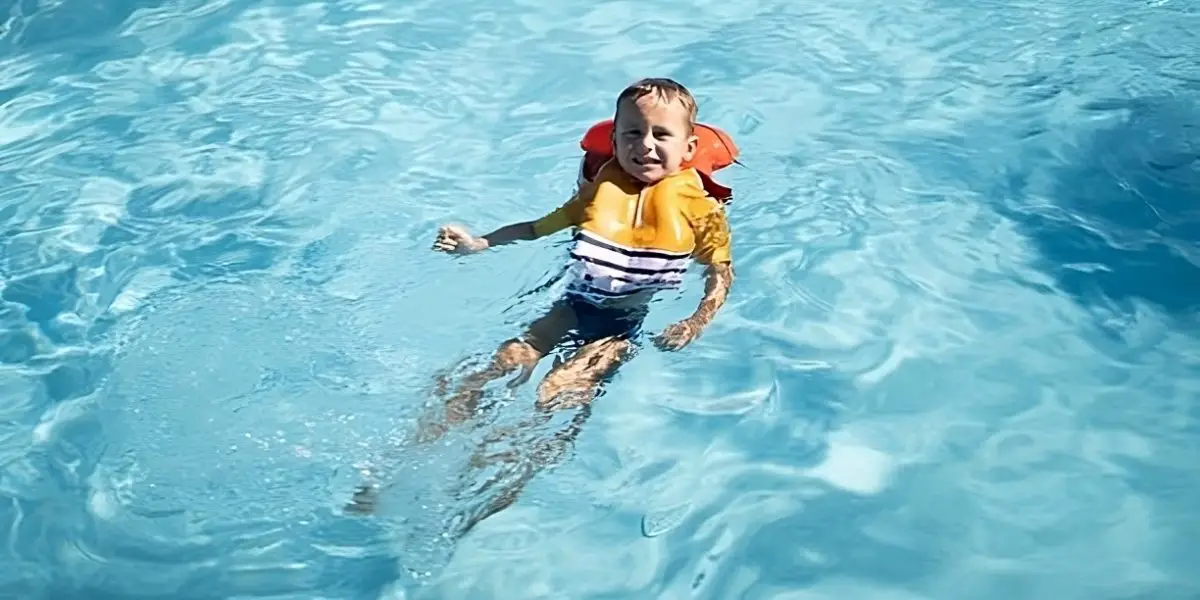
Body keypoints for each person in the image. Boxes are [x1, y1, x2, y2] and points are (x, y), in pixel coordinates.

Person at [347, 78, 740, 529]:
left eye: (660, 135)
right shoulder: (599, 193)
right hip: (568, 306)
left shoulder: (699, 210)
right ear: (613, 140)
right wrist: (478, 243)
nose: (645, 145)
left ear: (689, 147)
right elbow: (535, 228)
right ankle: (396, 471)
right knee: (494, 366)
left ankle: (473, 503)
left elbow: (720, 274)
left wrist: (695, 321)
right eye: (632, 133)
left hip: (616, 329)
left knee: (557, 401)